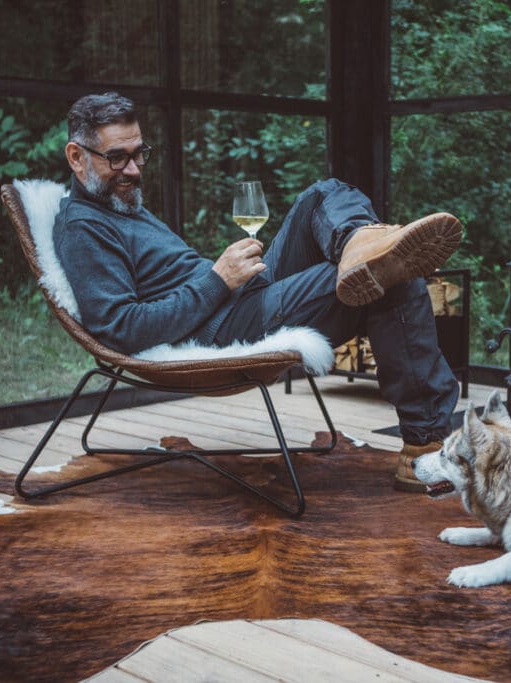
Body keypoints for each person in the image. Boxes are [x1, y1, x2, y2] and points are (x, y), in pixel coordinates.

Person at [53, 92, 461, 492]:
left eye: (139, 153)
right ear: (77, 156)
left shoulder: (118, 203)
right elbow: (123, 328)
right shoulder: (84, 228)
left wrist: (225, 279)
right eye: (117, 157)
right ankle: (424, 442)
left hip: (236, 298)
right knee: (390, 274)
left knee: (323, 194)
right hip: (219, 329)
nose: (134, 169)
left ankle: (359, 241)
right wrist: (218, 280)